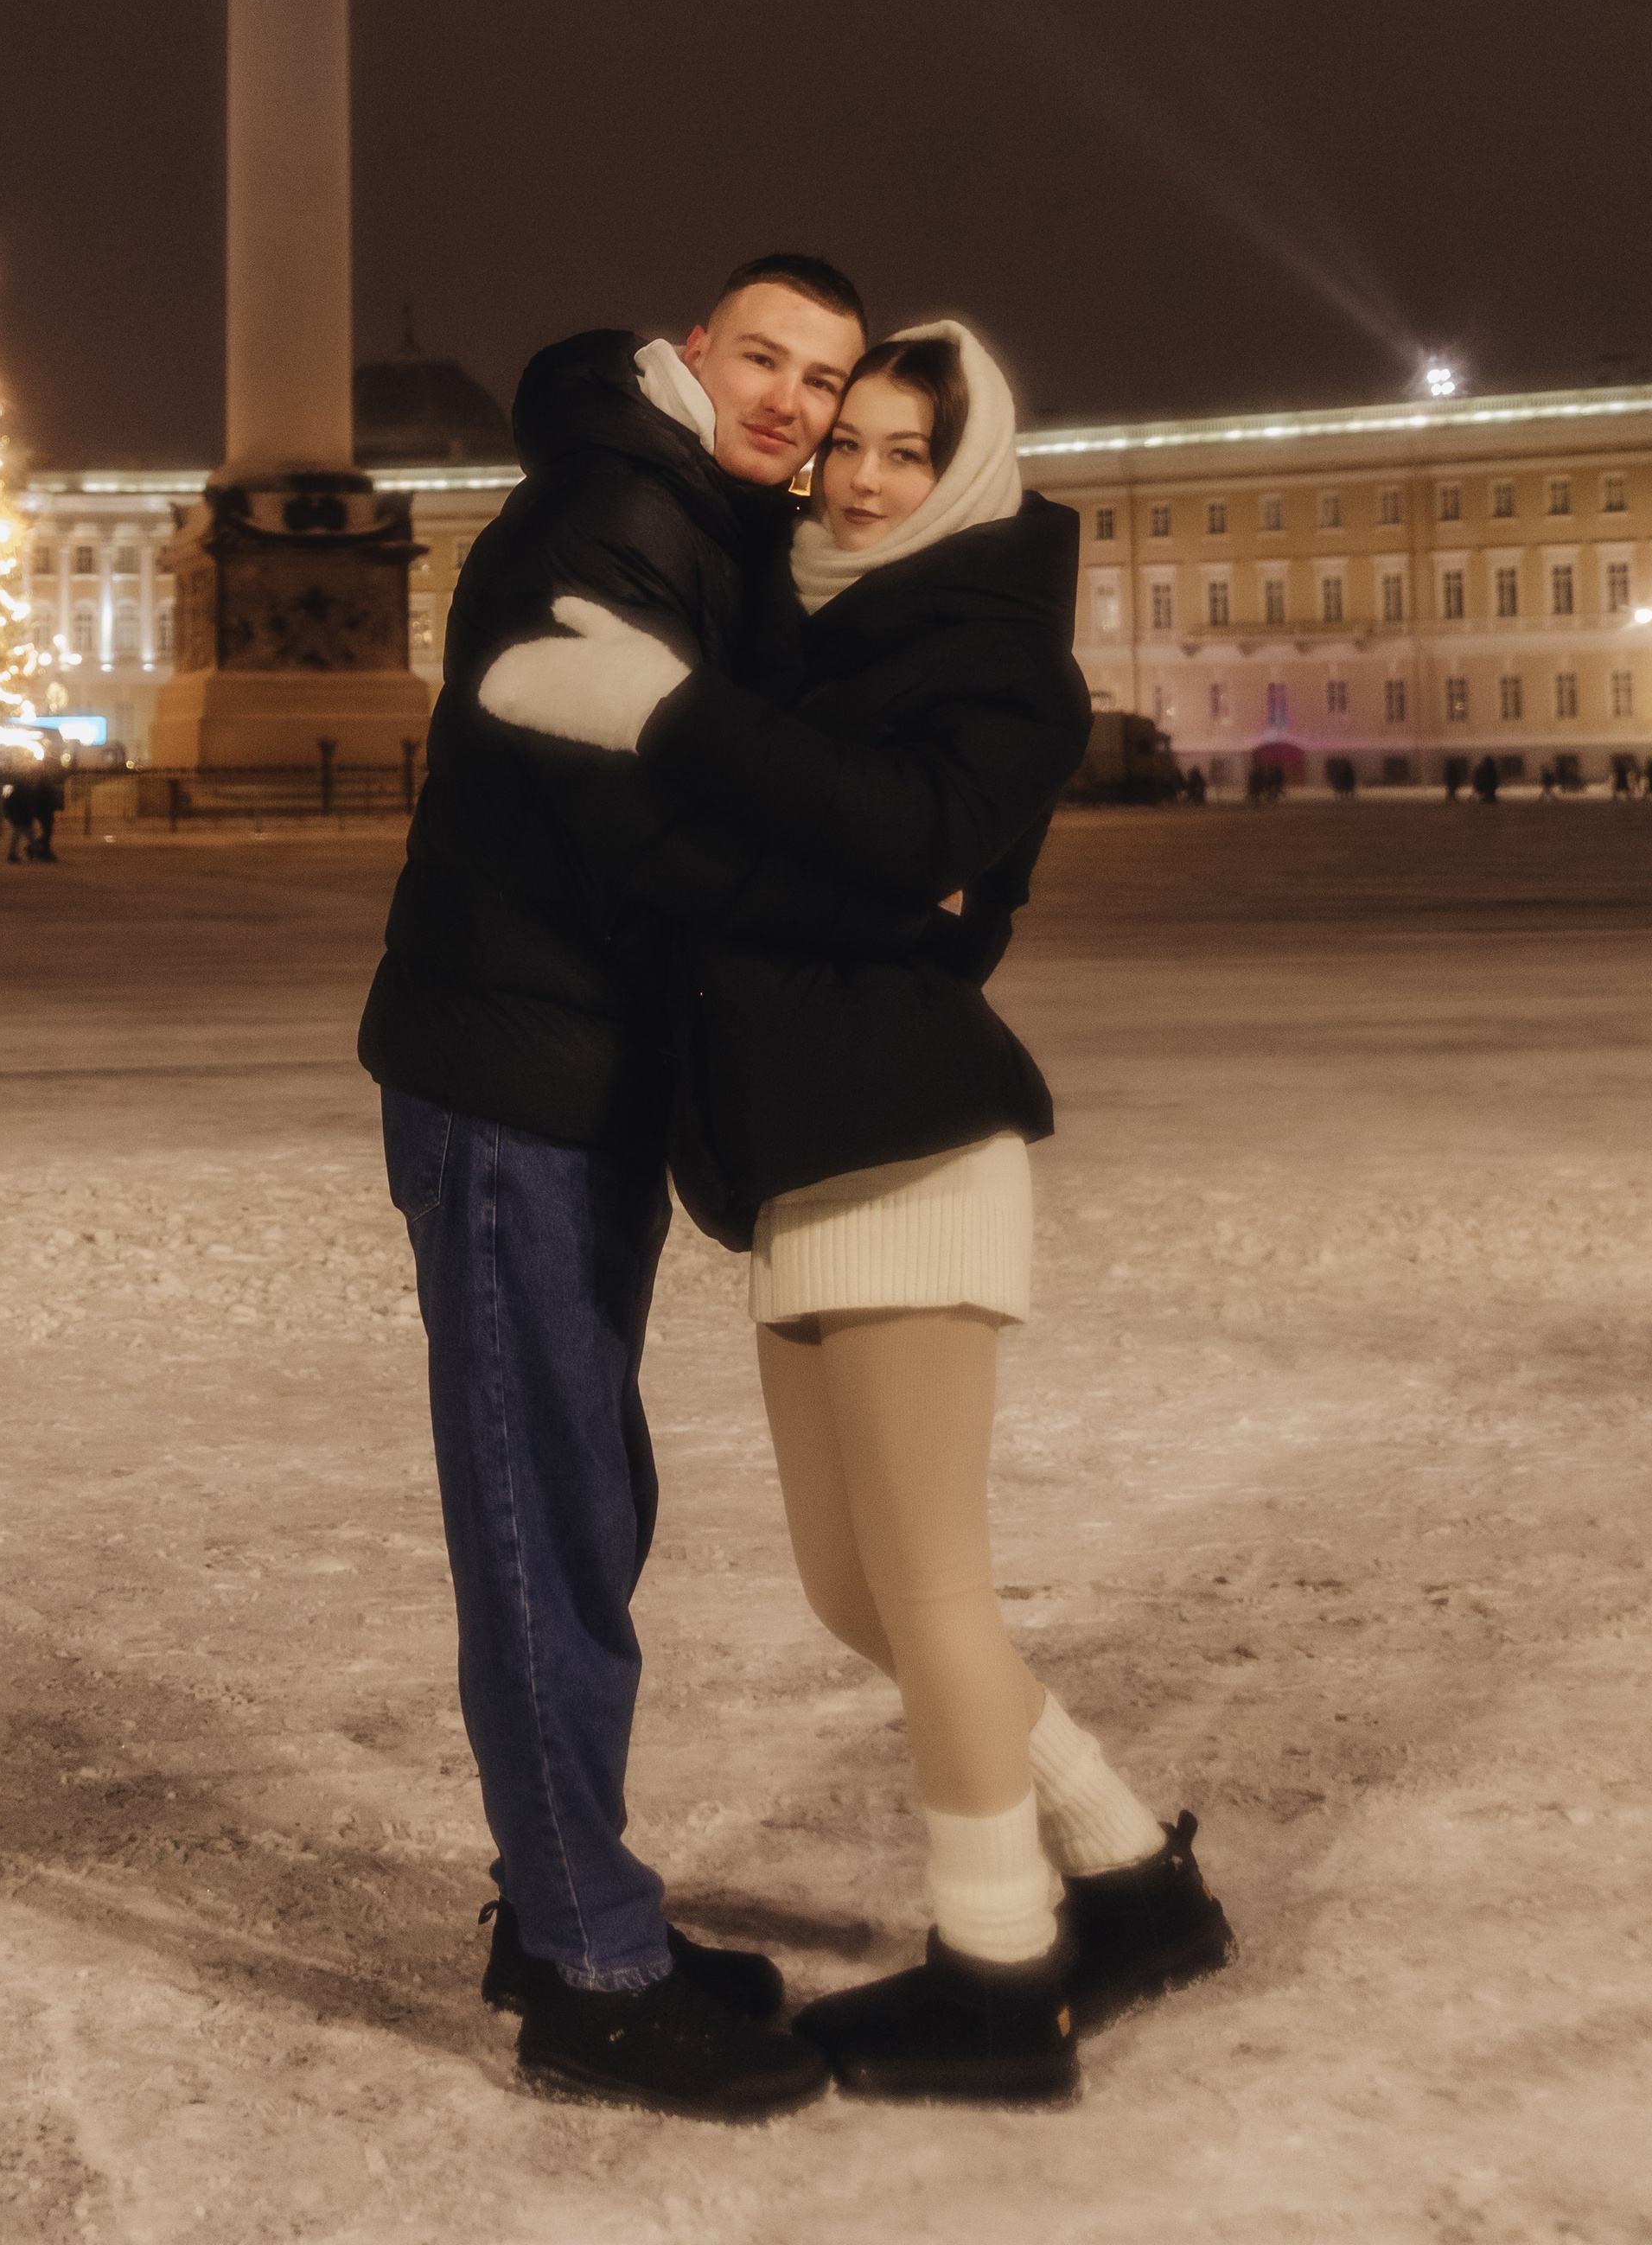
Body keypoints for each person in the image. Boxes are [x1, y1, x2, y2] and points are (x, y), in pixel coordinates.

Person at [482, 324, 1234, 2106]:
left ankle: (999, 1975)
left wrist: (669, 726)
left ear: (966, 477)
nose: (864, 479)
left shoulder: (997, 660)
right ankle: (1129, 1877)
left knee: (930, 1589)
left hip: (909, 1148)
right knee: (852, 1591)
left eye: (909, 452)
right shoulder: (802, 623)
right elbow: (836, 862)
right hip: (798, 1155)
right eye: (851, 445)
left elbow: (903, 845)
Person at [361, 258, 947, 2121]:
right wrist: (871, 891)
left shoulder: (681, 512)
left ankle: (565, 1910)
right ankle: (590, 1975)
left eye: (824, 379)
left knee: (584, 1502)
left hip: (574, 1075)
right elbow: (637, 819)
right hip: (512, 1080)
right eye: (763, 357)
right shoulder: (610, 518)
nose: (791, 400)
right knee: (545, 1512)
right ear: (694, 355)